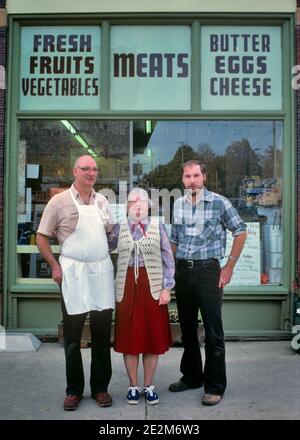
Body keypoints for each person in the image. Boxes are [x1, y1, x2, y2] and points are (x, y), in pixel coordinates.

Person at [36, 155, 115, 411]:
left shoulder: (102, 200)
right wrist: (55, 266)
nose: (90, 173)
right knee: (73, 336)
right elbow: (41, 237)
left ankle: (101, 388)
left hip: (101, 271)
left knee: (103, 335)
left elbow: (109, 232)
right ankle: (74, 391)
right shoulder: (58, 202)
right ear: (75, 171)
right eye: (85, 169)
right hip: (73, 274)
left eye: (94, 169)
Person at [169, 160, 247, 406]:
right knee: (188, 330)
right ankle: (192, 377)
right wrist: (170, 270)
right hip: (183, 271)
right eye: (187, 176)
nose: (191, 180)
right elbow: (174, 239)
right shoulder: (179, 204)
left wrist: (229, 266)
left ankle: (214, 386)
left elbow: (241, 231)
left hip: (208, 272)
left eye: (196, 175)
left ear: (204, 177)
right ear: (182, 180)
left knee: (213, 332)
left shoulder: (219, 202)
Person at [108, 187, 175, 405]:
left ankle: (149, 385)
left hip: (152, 286)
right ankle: (133, 386)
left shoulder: (157, 226)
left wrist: (167, 287)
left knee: (151, 338)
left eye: (141, 201)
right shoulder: (119, 228)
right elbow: (102, 249)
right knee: (130, 339)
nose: (137, 205)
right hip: (126, 288)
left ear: (148, 205)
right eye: (132, 201)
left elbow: (168, 258)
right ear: (127, 206)